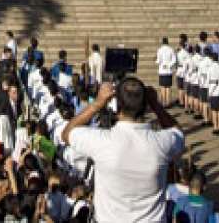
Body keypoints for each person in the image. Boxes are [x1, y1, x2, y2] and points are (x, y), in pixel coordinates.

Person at [60, 78, 184, 222]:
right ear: (145, 106)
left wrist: (98, 103)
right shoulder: (162, 142)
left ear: (117, 106)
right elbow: (178, 133)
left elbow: (67, 133)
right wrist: (156, 105)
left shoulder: (101, 141)